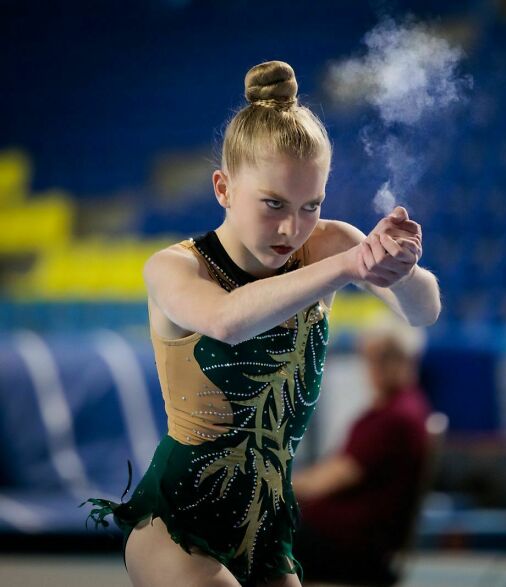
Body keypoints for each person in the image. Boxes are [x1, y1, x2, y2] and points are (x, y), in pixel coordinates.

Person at [82, 60, 441, 587]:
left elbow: (423, 310)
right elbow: (227, 321)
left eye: (310, 206)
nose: (292, 228)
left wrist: (401, 268)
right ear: (223, 188)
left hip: (269, 530)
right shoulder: (175, 267)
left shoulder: (328, 243)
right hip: (177, 526)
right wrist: (347, 265)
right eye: (273, 204)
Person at [290, 317, 432, 585]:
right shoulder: (403, 409)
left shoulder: (395, 418)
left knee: (257, 537)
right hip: (352, 537)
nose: (370, 369)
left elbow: (330, 479)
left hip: (352, 546)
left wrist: (273, 487)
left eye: (377, 358)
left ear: (403, 359)